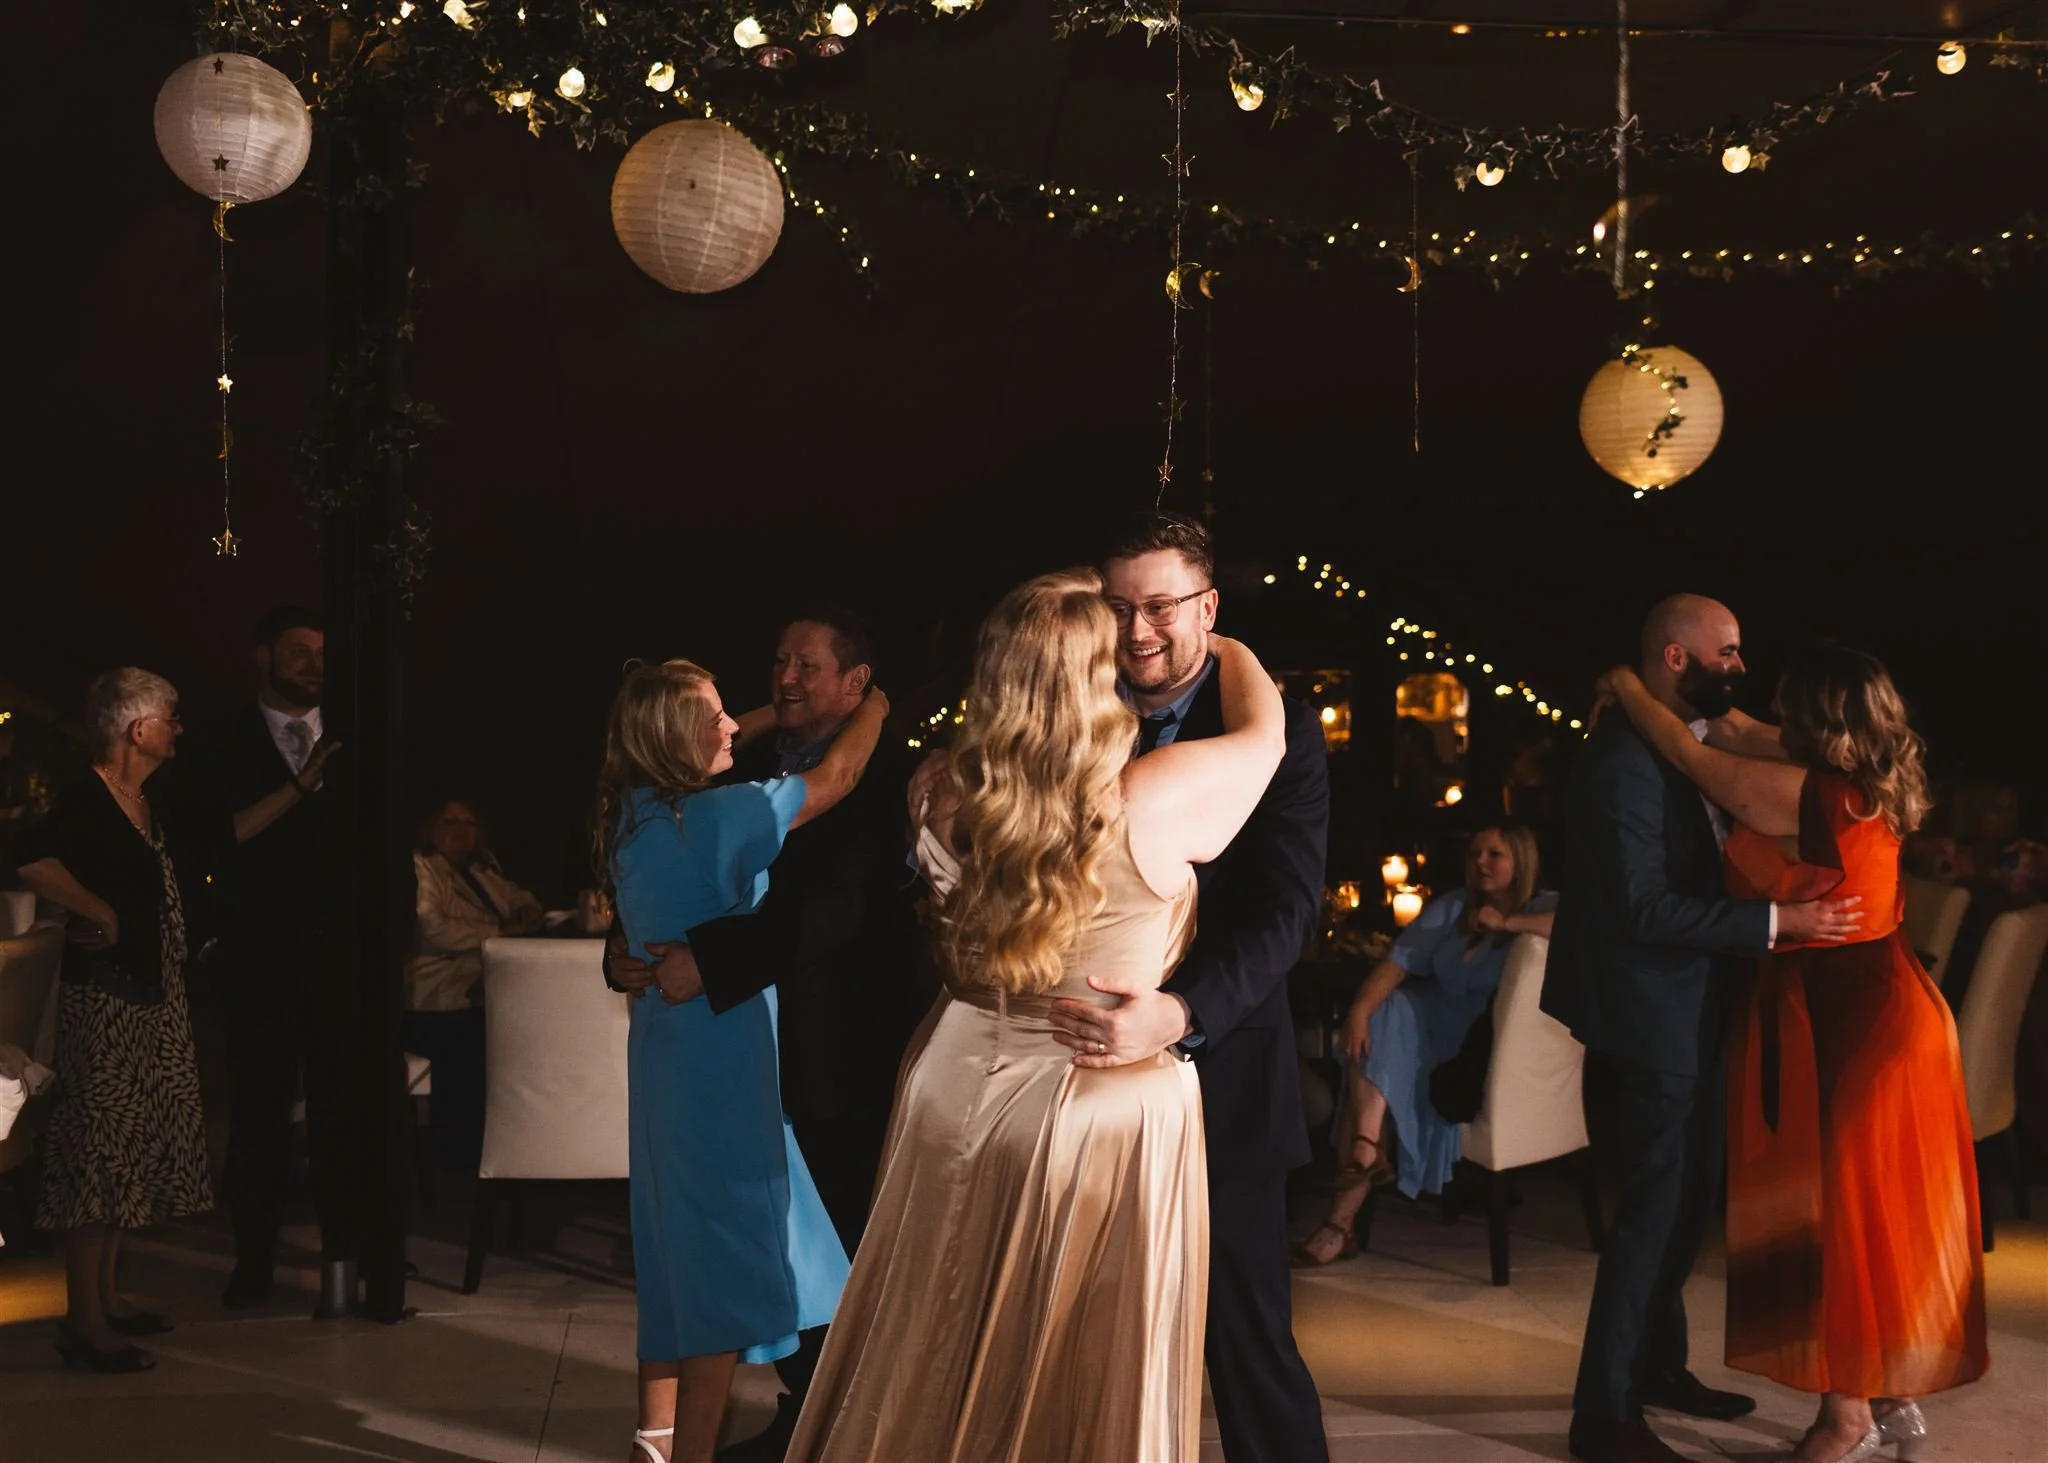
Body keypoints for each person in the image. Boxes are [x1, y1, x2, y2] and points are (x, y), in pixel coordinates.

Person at [785, 568, 1287, 1462]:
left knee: (940, 1340)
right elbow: (1264, 732)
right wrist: (1221, 639)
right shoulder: (1154, 796)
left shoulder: (936, 786)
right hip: (1093, 1101)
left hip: (951, 1081)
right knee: (1070, 1373)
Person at [1601, 644, 1988, 1463]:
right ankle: (1891, 1397)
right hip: (1889, 1010)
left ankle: (1845, 1417)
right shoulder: (1867, 773)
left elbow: (1693, 754)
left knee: (1840, 1225)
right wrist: (1723, 705)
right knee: (1877, 1216)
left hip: (1858, 1025)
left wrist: (1625, 684)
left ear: (1817, 721)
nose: (1767, 713)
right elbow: (1740, 726)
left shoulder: (1811, 789)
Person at [1542, 595, 1867, 1463]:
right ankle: (1602, 1416)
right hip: (1654, 1016)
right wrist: (1775, 928)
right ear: (1679, 660)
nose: (1741, 663)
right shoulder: (1621, 760)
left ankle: (1659, 1366)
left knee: (1684, 1207)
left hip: (1695, 1007)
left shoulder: (1684, 741)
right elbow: (1642, 906)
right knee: (1652, 1213)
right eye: (1728, 650)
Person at [607, 609, 926, 1463]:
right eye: (775, 662)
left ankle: (669, 1440)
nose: (770, 687)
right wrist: (877, 706)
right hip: (727, 1061)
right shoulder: (727, 804)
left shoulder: (640, 808)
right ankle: (722, 1447)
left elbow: (834, 907)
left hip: (741, 1051)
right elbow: (835, 775)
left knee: (705, 1248)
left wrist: (688, 956)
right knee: (726, 1258)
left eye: (802, 664)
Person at [1050, 512, 1334, 1463]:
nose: (1137, 631)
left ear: (1208, 608)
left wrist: (1180, 1011)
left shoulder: (1276, 731)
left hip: (1227, 1075)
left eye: (1160, 606)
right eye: (1119, 607)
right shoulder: (1071, 712)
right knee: (1082, 1334)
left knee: (1246, 1338)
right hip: (1077, 1075)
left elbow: (1288, 913)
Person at [14, 670, 215, 1372]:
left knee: (125, 1154)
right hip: (102, 1001)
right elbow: (30, 858)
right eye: (172, 717)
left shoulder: (141, 800)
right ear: (139, 728)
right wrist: (94, 908)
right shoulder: (87, 795)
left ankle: (106, 1299)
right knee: (97, 1155)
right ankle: (84, 1318)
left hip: (145, 996)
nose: (179, 728)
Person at [176, 606, 343, 1310]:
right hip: (259, 957)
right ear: (263, 657)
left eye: (321, 652)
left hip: (341, 958)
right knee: (259, 1118)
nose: (313, 662)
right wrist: (301, 785)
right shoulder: (220, 741)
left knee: (342, 1114)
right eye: (298, 650)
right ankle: (253, 1261)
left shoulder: (353, 734)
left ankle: (347, 1255)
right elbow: (212, 841)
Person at [1294, 824, 1557, 1266]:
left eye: (1495, 854)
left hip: (1480, 1048)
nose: (1481, 863)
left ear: (1522, 860)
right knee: (1385, 1012)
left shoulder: (1544, 906)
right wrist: (1359, 1011)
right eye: (1475, 852)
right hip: (1425, 1031)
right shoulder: (1455, 905)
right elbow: (1397, 963)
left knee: (1380, 1050)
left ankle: (1343, 1212)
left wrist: (1508, 923)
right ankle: (1363, 1152)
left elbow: (1580, 927)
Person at [405, 796, 544, 1174]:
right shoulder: (422, 869)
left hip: (488, 987)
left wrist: (527, 909)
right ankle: (462, 1158)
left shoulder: (480, 871)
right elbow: (429, 929)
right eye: (451, 821)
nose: (461, 830)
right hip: (439, 994)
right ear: (431, 827)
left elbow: (517, 895)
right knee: (474, 1041)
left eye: (468, 822)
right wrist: (499, 930)